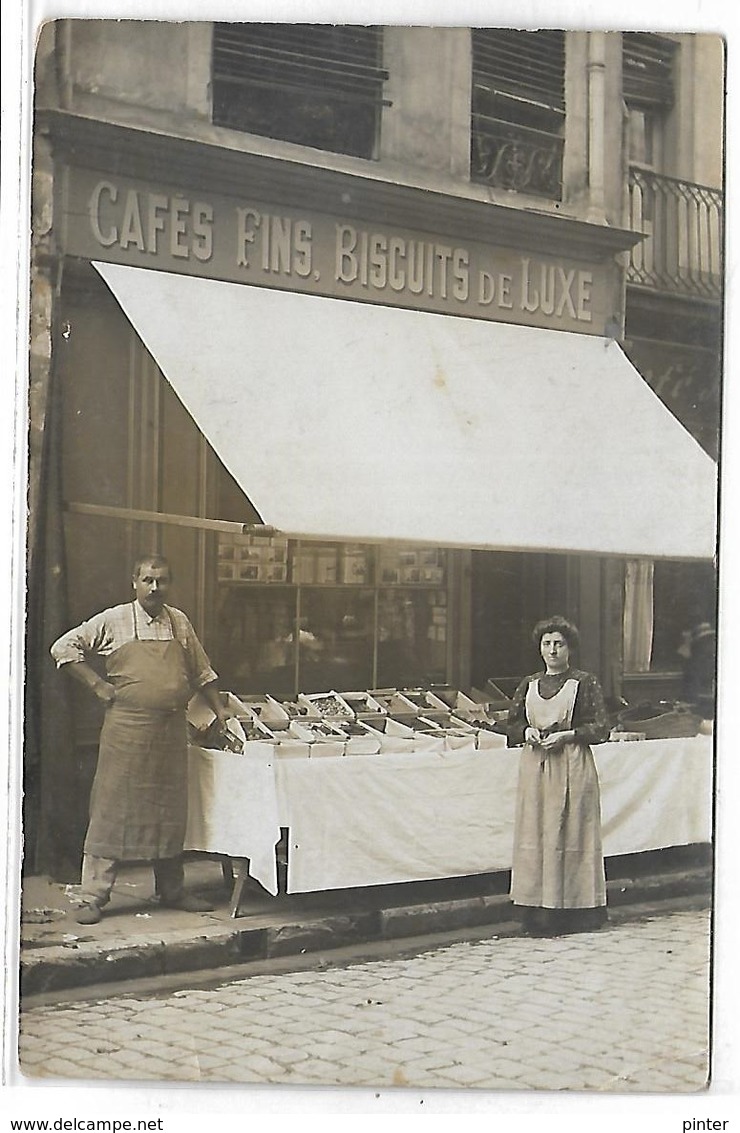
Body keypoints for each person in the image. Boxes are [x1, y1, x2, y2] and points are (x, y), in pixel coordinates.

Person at [50, 553, 231, 925]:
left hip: (170, 732)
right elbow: (63, 648)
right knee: (112, 810)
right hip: (126, 731)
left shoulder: (179, 622)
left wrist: (221, 710)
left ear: (169, 584)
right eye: (148, 580)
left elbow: (203, 672)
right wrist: (97, 684)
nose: (154, 587)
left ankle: (172, 889)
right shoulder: (114, 619)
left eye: (161, 581)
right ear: (134, 582)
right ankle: (93, 896)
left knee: (168, 812)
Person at [506, 615, 610, 936]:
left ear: (570, 648)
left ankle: (574, 911)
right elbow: (508, 724)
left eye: (559, 644)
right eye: (547, 644)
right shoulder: (529, 684)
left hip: (571, 763)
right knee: (537, 831)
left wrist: (569, 735)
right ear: (539, 648)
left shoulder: (585, 682)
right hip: (536, 765)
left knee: (570, 832)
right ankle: (537, 909)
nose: (552, 650)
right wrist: (526, 731)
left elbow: (601, 728)